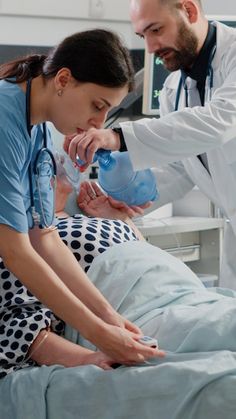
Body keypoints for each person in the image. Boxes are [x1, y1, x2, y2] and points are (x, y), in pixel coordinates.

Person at [0, 28, 165, 379]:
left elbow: (44, 237)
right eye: (97, 106)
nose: (98, 124)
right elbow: (15, 251)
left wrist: (111, 318)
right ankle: (48, 346)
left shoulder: (40, 129)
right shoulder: (4, 120)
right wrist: (100, 335)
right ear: (63, 79)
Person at [63, 0, 236, 290]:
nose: (152, 48)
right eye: (143, 36)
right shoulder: (173, 89)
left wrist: (118, 136)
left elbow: (221, 121)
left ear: (189, 11)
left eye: (156, 30)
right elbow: (181, 169)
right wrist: (126, 200)